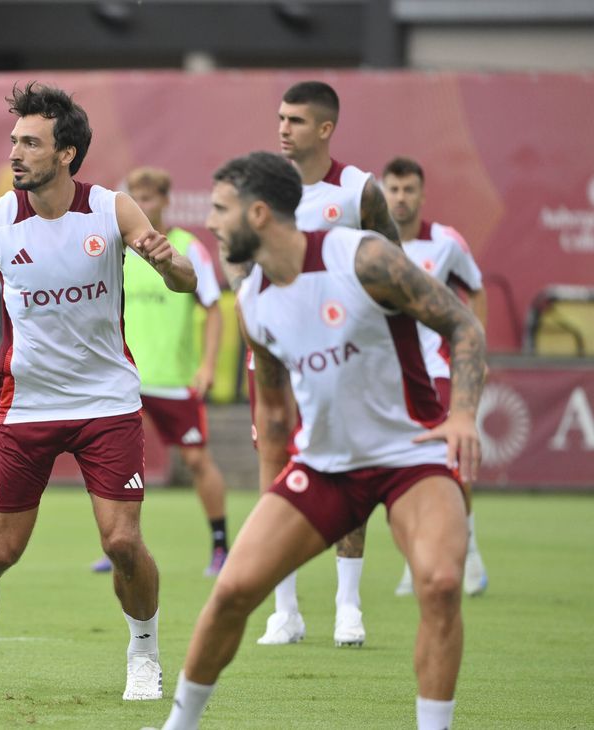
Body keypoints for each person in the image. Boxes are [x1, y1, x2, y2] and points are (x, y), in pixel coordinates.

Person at [150, 151, 484, 730]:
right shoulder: (254, 302)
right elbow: (275, 415)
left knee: (440, 582)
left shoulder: (365, 257)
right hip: (326, 467)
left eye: (220, 209)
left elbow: (464, 324)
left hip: (411, 456)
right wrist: (276, 492)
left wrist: (463, 416)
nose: (210, 221)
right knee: (232, 591)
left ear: (258, 213)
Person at [0, 82, 196, 701]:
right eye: (13, 141)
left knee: (121, 540)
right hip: (25, 402)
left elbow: (184, 282)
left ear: (66, 154)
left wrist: (167, 262)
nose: (15, 153)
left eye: (30, 143)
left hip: (107, 402)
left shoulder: (113, 210)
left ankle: (144, 653)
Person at [257, 80, 402, 648]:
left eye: (294, 120)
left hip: (343, 355)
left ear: (324, 128)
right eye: (279, 118)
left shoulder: (358, 189)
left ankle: (348, 605)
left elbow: (391, 265)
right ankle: (284, 610)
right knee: (275, 470)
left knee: (349, 471)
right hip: (276, 352)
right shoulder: (263, 187)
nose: (283, 128)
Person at [90, 166, 229, 578]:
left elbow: (212, 309)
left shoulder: (187, 247)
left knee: (197, 460)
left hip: (172, 380)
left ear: (166, 201)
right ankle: (117, 546)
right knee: (108, 462)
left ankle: (220, 546)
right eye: (137, 198)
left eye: (150, 198)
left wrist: (207, 366)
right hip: (122, 377)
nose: (143, 206)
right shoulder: (117, 247)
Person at [382, 156, 489, 597]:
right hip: (389, 376)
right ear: (383, 193)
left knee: (449, 465)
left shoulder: (445, 243)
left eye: (409, 190)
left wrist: (476, 351)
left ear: (422, 195)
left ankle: (469, 555)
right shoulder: (370, 243)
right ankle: (417, 560)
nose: (401, 198)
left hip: (439, 371)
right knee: (399, 470)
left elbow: (476, 289)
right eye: (394, 189)